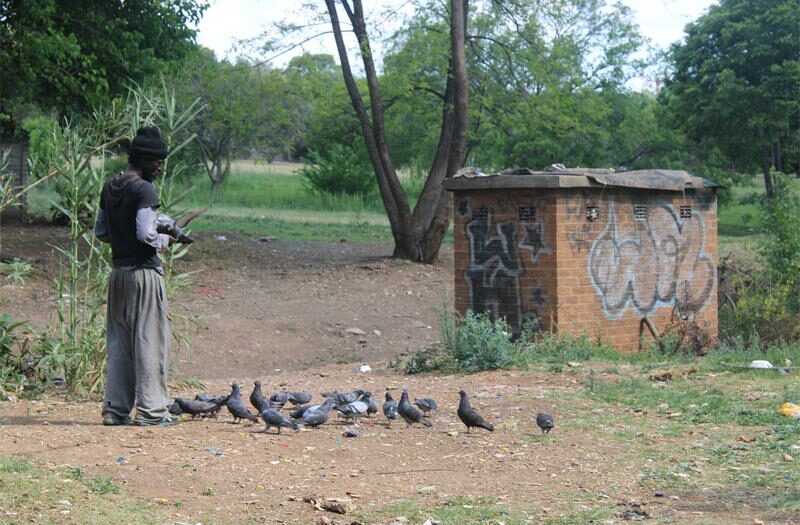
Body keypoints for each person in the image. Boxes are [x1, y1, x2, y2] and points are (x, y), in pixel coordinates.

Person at [94, 126, 177, 426]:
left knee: (119, 344)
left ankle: (115, 410)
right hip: (144, 274)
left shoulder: (110, 186)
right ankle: (153, 412)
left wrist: (123, 237)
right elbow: (146, 233)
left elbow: (101, 232)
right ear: (143, 159)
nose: (159, 167)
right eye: (156, 161)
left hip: (118, 274)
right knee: (150, 341)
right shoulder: (144, 189)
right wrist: (166, 239)